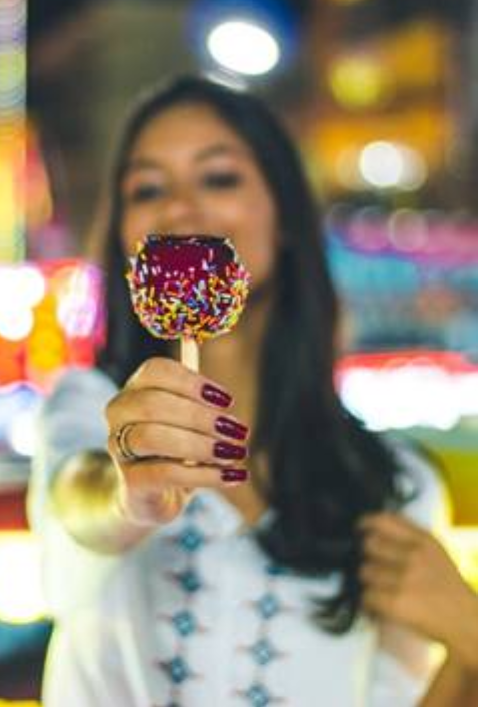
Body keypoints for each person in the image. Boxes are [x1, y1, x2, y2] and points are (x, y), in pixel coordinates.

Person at [28, 75, 478, 706]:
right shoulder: (86, 406)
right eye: (147, 188)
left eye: (219, 178)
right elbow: (76, 507)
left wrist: (471, 635)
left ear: (285, 216)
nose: (181, 208)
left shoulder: (393, 487)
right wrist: (131, 491)